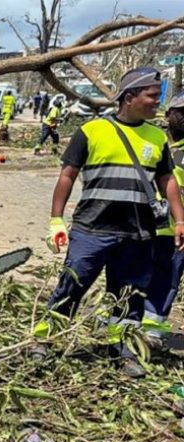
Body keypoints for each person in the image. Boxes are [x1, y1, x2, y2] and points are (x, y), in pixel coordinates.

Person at [32, 68, 184, 378]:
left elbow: (167, 181)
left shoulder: (156, 138)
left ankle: (122, 351)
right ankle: (43, 341)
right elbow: (67, 175)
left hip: (137, 234)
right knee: (71, 286)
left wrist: (180, 219)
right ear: (130, 97)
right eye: (152, 96)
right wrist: (56, 220)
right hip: (92, 229)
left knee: (129, 296)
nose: (157, 102)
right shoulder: (92, 131)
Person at [142, 90, 184, 345]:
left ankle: (151, 329)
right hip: (145, 227)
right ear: (168, 115)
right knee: (137, 276)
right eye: (181, 113)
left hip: (176, 232)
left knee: (166, 281)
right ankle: (125, 322)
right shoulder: (156, 145)